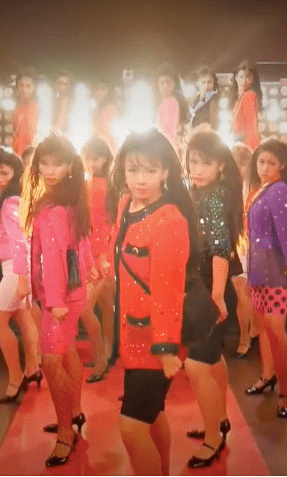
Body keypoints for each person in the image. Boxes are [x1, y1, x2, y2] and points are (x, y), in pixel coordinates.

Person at [105, 129, 194, 475]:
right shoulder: (127, 205)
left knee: (131, 427)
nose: (140, 179)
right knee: (153, 414)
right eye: (133, 170)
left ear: (165, 171)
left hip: (157, 342)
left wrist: (167, 348)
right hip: (132, 335)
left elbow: (168, 289)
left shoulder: (169, 220)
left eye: (150, 170)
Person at [22, 132, 95, 467]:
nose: (49, 170)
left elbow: (55, 256)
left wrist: (54, 300)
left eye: (57, 163)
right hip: (67, 292)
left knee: (51, 361)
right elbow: (80, 243)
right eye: (45, 163)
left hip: (60, 296)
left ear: (70, 166)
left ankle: (66, 431)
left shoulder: (56, 206)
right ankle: (73, 413)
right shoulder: (66, 198)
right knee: (65, 355)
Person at [183, 131, 244, 467]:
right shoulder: (204, 192)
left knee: (196, 364)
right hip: (204, 287)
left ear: (220, 164)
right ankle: (219, 421)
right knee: (212, 358)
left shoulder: (215, 195)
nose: (197, 169)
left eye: (204, 162)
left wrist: (217, 296)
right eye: (193, 161)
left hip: (211, 287)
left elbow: (221, 248)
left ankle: (212, 438)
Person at [244, 140, 287, 418]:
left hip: (275, 270)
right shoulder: (262, 189)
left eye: (271, 163)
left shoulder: (279, 191)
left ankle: (286, 391)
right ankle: (268, 375)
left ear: (282, 165)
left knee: (276, 330)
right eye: (261, 162)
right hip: (258, 269)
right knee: (265, 328)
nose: (264, 167)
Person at [0, 151, 41, 404]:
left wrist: (22, 278)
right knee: (24, 319)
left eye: (4, 173)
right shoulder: (11, 199)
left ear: (15, 174)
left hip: (15, 269)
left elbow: (21, 242)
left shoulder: (10, 203)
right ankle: (33, 368)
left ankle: (16, 377)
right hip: (15, 267)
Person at [80, 137, 116, 382]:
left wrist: (102, 255)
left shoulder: (99, 186)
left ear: (105, 159)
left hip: (100, 252)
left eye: (96, 158)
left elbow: (104, 224)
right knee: (105, 305)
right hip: (98, 250)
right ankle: (107, 352)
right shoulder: (96, 184)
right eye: (89, 157)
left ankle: (102, 359)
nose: (92, 162)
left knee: (87, 307)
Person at [230, 142, 262, 358]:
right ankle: (246, 336)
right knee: (243, 294)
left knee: (252, 294)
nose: (238, 168)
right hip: (237, 244)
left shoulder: (257, 190)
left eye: (242, 164)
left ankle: (251, 334)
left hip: (254, 246)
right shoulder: (227, 190)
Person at [156, 64, 189, 152]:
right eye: (162, 83)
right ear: (158, 84)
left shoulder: (172, 102)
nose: (165, 86)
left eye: (168, 82)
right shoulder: (163, 102)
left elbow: (167, 130)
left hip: (168, 147)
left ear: (174, 84)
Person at [230, 61, 262, 150]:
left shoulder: (250, 95)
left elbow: (251, 126)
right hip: (237, 141)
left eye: (248, 77)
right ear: (236, 78)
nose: (244, 81)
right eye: (241, 77)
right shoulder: (236, 97)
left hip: (245, 144)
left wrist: (250, 148)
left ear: (253, 80)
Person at [12, 68, 39, 156]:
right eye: (21, 85)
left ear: (33, 87)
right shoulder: (14, 106)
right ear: (17, 86)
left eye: (28, 86)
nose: (24, 89)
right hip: (16, 152)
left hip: (30, 154)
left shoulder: (36, 106)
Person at [92, 79, 120, 155]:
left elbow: (109, 132)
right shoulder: (95, 109)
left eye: (103, 89)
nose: (100, 92)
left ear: (109, 91)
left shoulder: (111, 108)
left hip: (109, 148)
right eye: (97, 89)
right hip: (98, 147)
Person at [189, 66, 220, 131]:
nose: (206, 85)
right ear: (197, 83)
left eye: (209, 82)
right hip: (195, 133)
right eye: (203, 82)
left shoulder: (214, 99)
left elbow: (214, 124)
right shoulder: (195, 100)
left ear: (213, 83)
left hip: (207, 134)